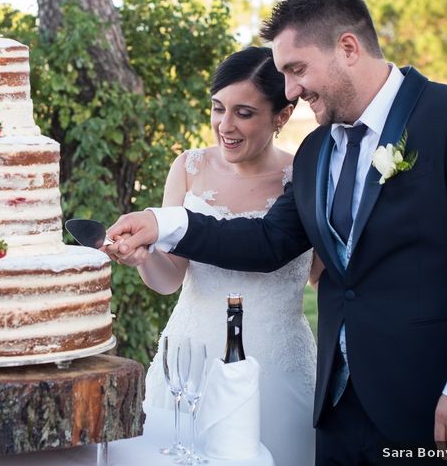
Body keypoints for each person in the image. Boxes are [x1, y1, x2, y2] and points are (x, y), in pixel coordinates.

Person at [107, 0, 447, 465]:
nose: (291, 89)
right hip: (338, 410)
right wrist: (164, 222)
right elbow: (268, 242)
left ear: (348, 49)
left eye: (297, 69)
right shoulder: (317, 151)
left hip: (437, 403)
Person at [119, 47, 319, 465]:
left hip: (277, 369)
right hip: (191, 364)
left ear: (282, 115)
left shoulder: (305, 176)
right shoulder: (189, 167)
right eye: (217, 109)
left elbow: (321, 273)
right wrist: (144, 258)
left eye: (244, 113)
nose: (224, 126)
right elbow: (169, 279)